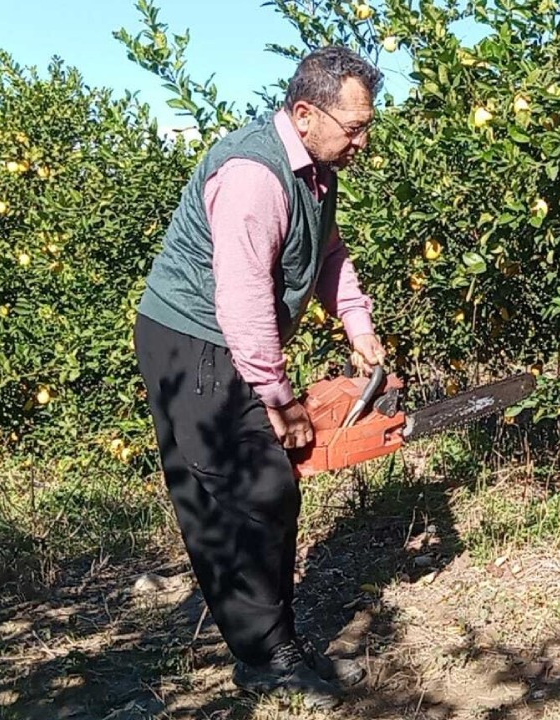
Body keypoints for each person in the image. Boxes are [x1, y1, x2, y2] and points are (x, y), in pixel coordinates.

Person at [132, 46, 386, 710]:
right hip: (192, 340)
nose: (364, 140)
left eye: (368, 125)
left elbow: (328, 253)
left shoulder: (316, 171)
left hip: (233, 341)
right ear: (305, 113)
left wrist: (357, 324)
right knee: (238, 494)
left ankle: (276, 646)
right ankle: (264, 658)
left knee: (270, 490)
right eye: (354, 126)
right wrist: (278, 397)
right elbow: (243, 300)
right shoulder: (253, 174)